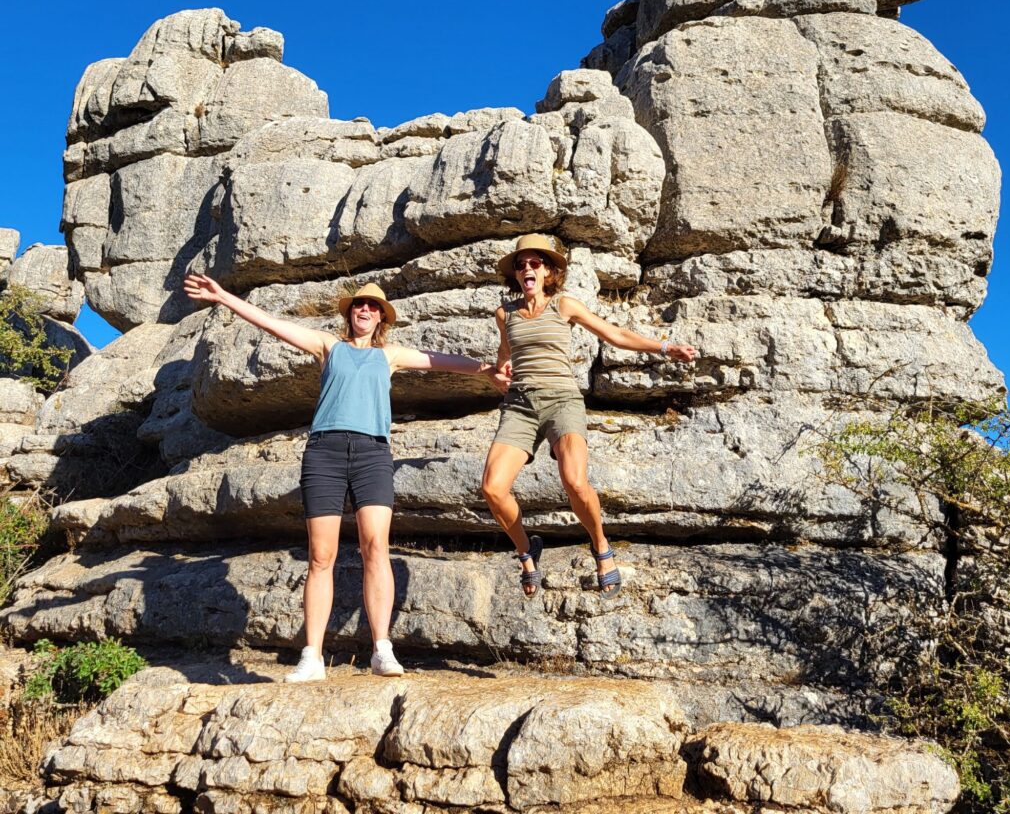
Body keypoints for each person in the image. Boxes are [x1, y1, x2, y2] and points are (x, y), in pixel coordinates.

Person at [184, 273, 509, 682]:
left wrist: (487, 371)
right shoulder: (328, 346)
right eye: (360, 305)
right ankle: (313, 657)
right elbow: (269, 322)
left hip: (372, 454)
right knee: (322, 556)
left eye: (374, 308)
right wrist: (223, 294)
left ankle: (381, 649)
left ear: (381, 319)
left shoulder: (388, 356)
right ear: (351, 312)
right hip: (325, 453)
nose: (366, 310)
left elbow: (438, 359)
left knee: (376, 546)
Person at [481, 234, 696, 600]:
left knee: (575, 482)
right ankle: (526, 550)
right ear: (515, 274)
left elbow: (613, 334)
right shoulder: (506, 314)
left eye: (535, 263)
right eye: (521, 264)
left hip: (563, 400)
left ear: (548, 271)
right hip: (520, 405)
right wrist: (497, 371)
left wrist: (663, 346)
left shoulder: (564, 306)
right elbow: (505, 353)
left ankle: (601, 547)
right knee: (492, 488)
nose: (527, 269)